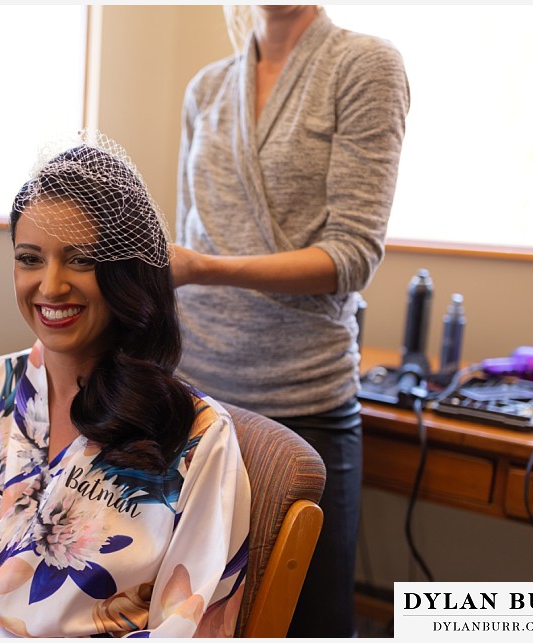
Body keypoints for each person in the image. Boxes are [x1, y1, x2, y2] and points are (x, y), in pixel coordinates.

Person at [0, 131, 251, 638]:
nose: (51, 285)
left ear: (127, 274)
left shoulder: (196, 438)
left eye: (80, 259)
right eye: (30, 258)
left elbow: (186, 626)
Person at [170, 5, 409, 638]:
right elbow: (182, 243)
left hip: (302, 401)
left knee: (311, 622)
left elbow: (352, 255)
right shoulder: (206, 89)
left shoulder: (362, 65)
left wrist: (205, 268)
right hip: (197, 405)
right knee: (187, 614)